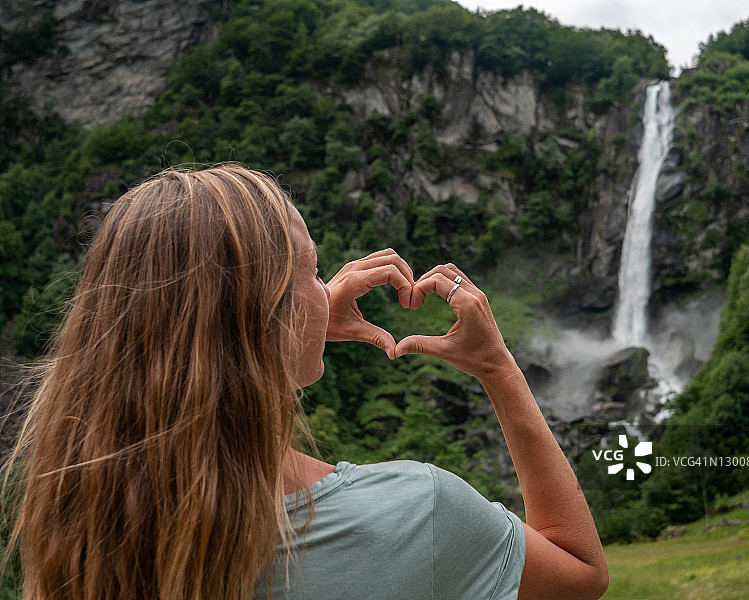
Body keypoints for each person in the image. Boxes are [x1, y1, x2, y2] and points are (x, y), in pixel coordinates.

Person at [3, 165, 607, 600]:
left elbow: (206, 387)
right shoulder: (418, 514)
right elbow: (580, 573)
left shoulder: (79, 519)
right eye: (314, 272)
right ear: (271, 314)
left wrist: (296, 331)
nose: (329, 287)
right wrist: (496, 366)